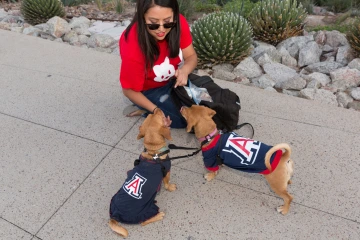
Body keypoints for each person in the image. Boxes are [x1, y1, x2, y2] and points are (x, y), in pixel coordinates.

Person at [119, 0, 198, 128]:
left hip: (173, 80)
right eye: (154, 24)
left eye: (167, 22)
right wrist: (156, 111)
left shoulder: (179, 22)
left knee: (206, 107)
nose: (161, 29)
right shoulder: (133, 45)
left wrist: (185, 70)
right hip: (147, 90)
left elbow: (191, 56)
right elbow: (128, 90)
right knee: (185, 121)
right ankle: (146, 110)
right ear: (142, 17)